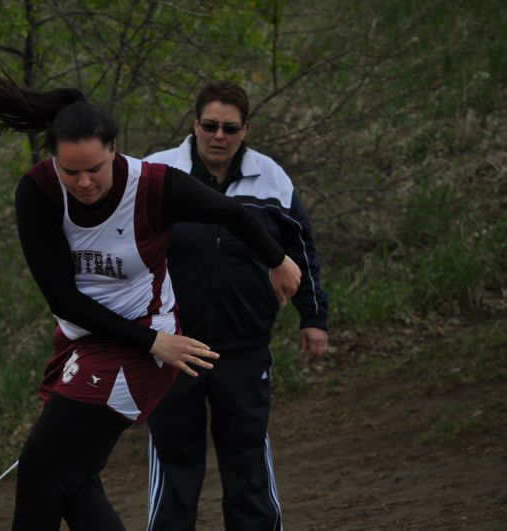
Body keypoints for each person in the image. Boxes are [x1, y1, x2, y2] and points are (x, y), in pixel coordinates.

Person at [0, 67, 302, 531]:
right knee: (72, 477)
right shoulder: (37, 193)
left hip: (143, 349)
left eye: (94, 169)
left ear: (115, 150)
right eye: (70, 171)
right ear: (52, 159)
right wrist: (149, 341)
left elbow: (228, 213)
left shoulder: (153, 185)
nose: (84, 183)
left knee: (40, 468)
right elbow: (63, 298)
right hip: (92, 340)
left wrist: (277, 259)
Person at [144, 80, 329, 530]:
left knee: (247, 459)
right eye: (210, 125)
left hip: (244, 345)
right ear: (195, 124)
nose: (218, 136)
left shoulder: (271, 177)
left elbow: (299, 247)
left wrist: (314, 316)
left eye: (229, 127)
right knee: (174, 465)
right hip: (175, 345)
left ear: (245, 130)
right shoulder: (156, 172)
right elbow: (127, 247)